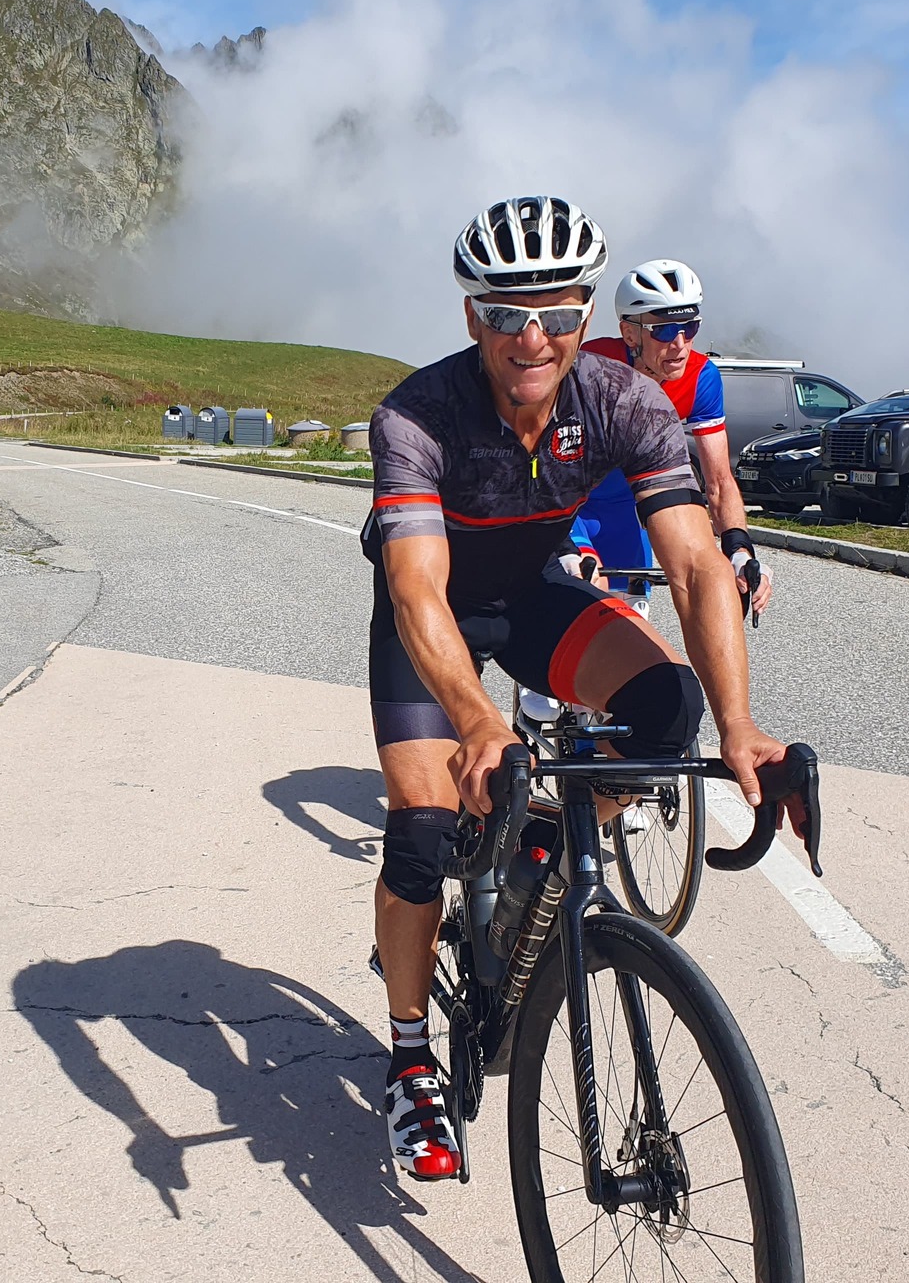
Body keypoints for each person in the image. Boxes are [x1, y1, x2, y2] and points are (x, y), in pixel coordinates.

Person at [364, 195, 789, 1180]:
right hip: (433, 619)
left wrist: (740, 725)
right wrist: (479, 722)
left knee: (668, 708)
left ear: (586, 313)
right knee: (422, 831)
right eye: (506, 314)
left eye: (556, 313)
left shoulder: (625, 401)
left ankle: (546, 853)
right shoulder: (417, 415)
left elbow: (695, 566)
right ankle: (410, 1054)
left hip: (535, 599)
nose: (532, 338)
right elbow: (417, 589)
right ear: (472, 317)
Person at [572, 259, 774, 616]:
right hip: (570, 506)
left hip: (624, 510)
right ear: (629, 334)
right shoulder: (591, 364)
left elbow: (719, 482)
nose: (680, 344)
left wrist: (739, 550)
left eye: (690, 327)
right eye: (663, 331)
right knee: (570, 612)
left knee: (628, 626)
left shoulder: (700, 377)